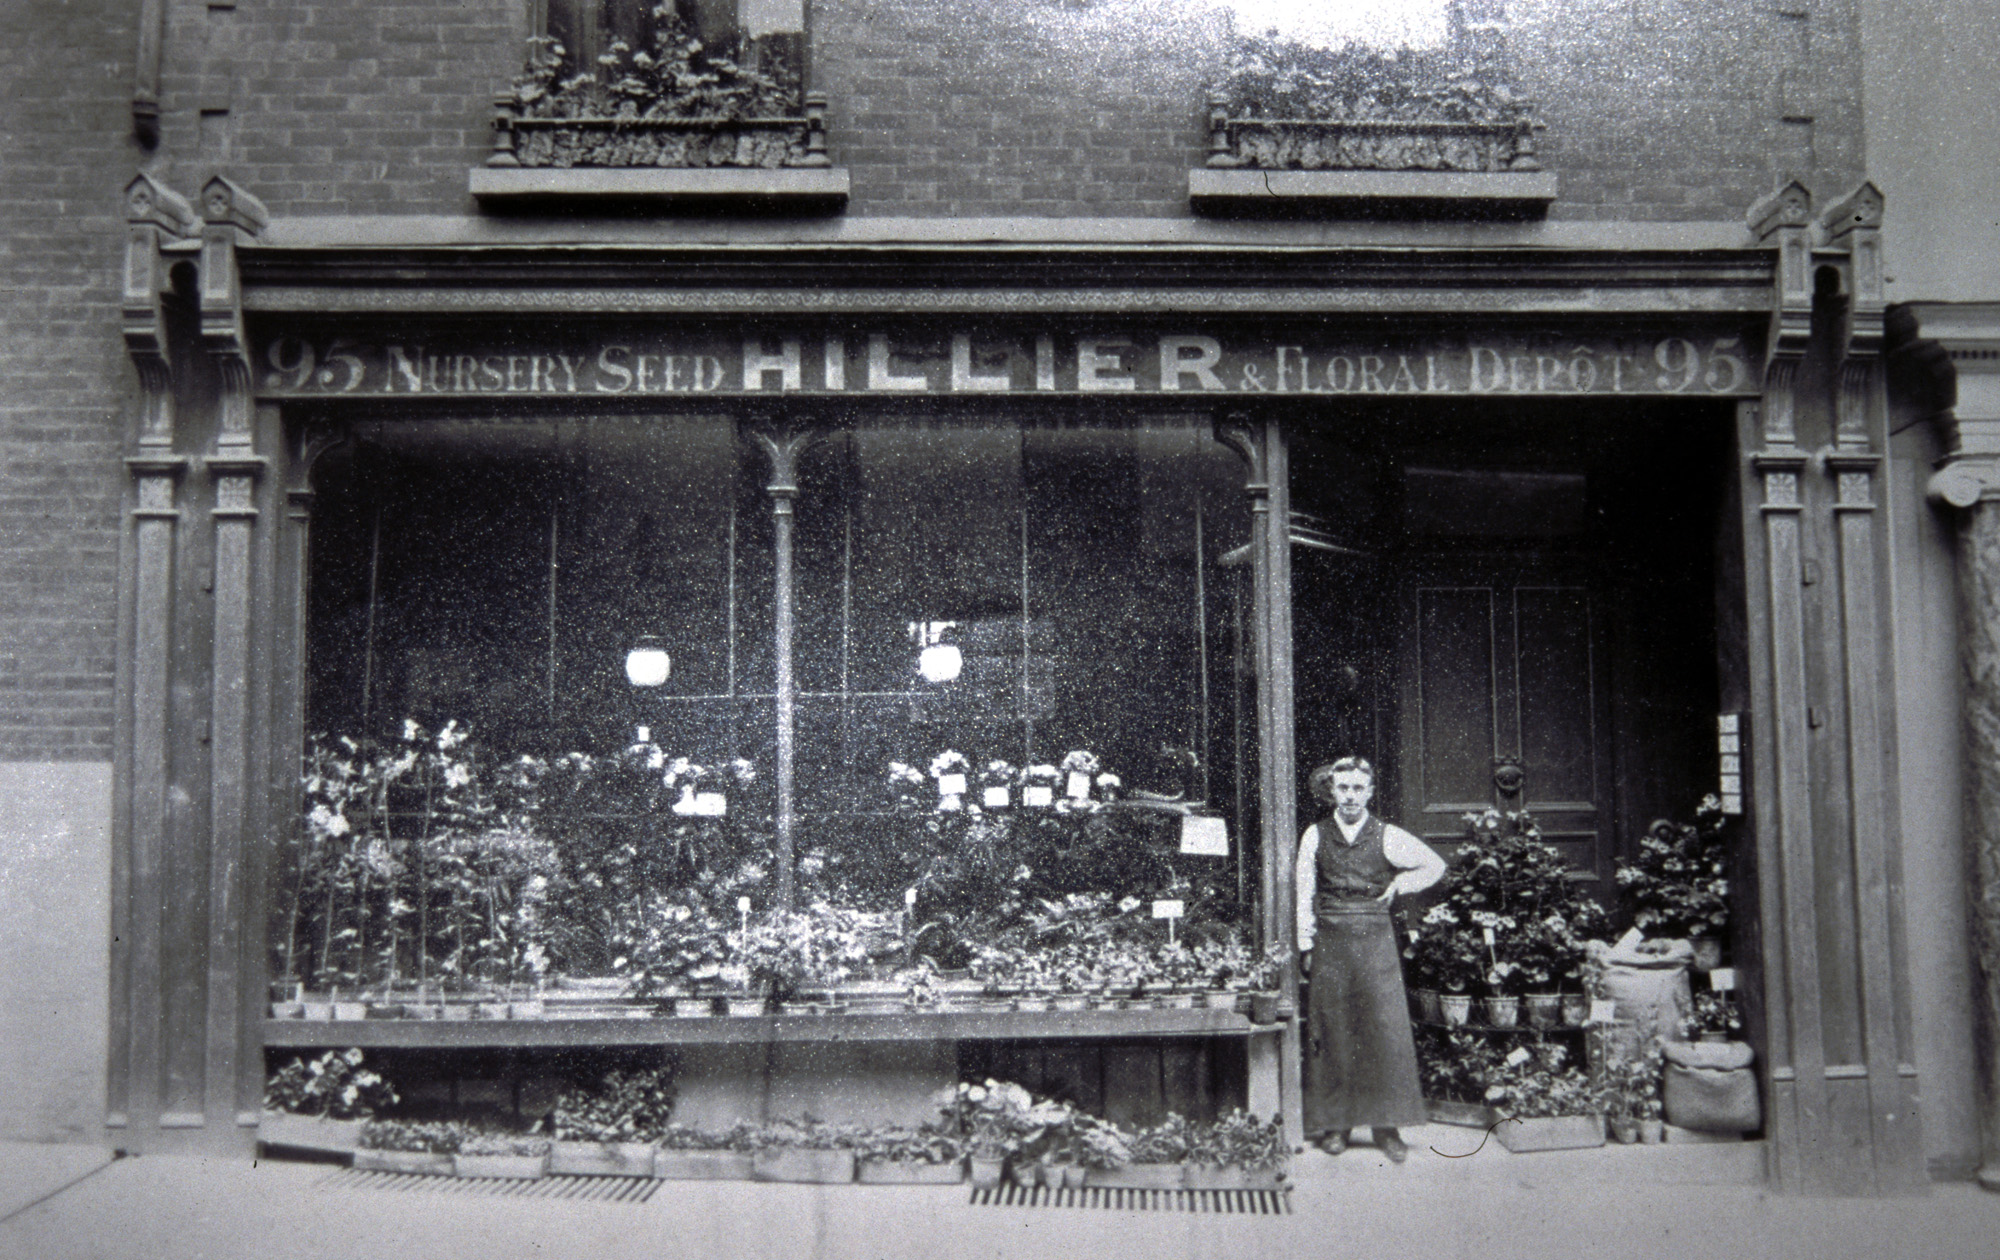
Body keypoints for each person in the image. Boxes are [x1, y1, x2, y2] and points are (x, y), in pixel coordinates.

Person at [1295, 756, 1446, 1161]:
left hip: (1376, 938)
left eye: (1358, 788)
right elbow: (1303, 890)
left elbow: (1435, 864)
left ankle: (1387, 1127)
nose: (1350, 796)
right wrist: (1305, 944)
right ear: (1332, 791)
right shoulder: (1315, 834)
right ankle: (1337, 1126)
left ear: (1370, 791)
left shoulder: (1387, 834)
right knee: (1334, 1029)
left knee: (1384, 1028)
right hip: (1331, 939)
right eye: (1342, 788)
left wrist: (1401, 882)